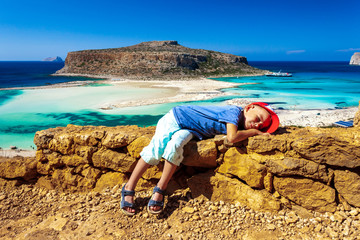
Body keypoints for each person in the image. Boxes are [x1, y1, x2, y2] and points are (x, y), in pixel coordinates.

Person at [120, 102, 279, 216]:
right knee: (155, 151)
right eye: (258, 118)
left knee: (174, 148)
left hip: (191, 129)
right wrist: (255, 133)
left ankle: (160, 189)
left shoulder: (239, 121)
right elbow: (232, 137)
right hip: (176, 118)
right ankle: (129, 187)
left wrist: (253, 130)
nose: (258, 125)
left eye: (261, 126)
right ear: (249, 107)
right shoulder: (234, 112)